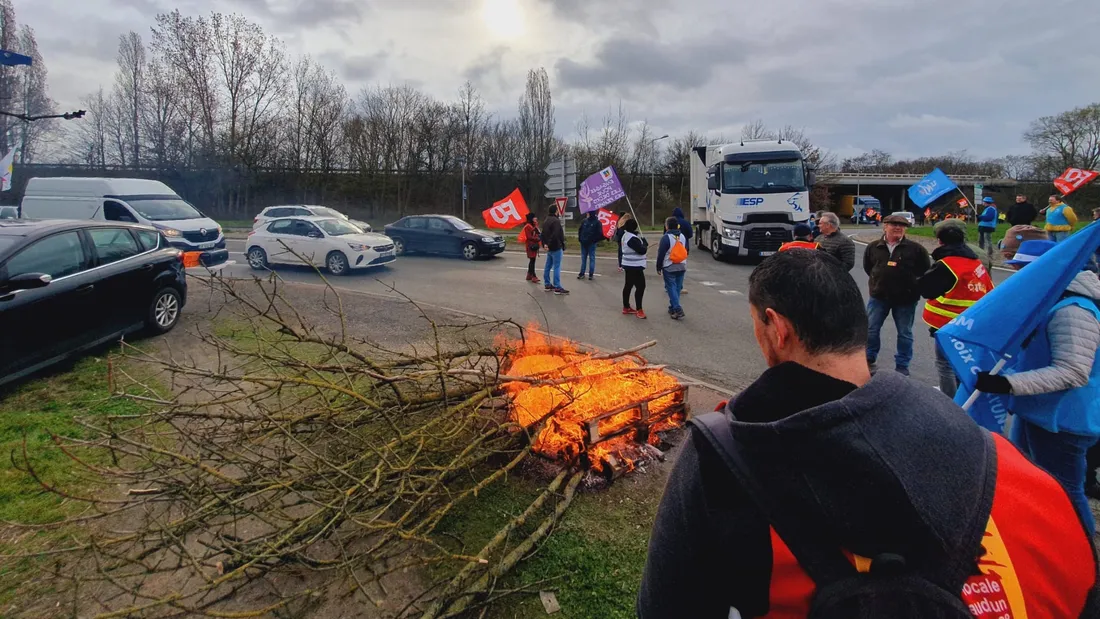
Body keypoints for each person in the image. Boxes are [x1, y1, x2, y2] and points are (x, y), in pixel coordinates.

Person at [638, 250, 1099, 619]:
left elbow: (665, 605)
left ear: (777, 330)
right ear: (858, 325)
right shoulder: (1000, 459)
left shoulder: (724, 455)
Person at [975, 239, 1100, 536]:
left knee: (1065, 491)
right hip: (1036, 411)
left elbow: (1073, 372)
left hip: (1063, 421)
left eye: (1024, 270)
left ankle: (1084, 561)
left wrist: (1006, 384)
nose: (1019, 276)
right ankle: (1041, 541)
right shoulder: (1052, 301)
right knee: (1030, 481)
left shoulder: (1073, 310)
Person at [918, 220, 993, 397]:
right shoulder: (976, 263)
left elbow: (926, 288)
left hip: (947, 323)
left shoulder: (948, 264)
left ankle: (950, 403)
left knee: (945, 365)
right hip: (973, 322)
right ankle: (965, 397)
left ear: (940, 241)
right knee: (963, 363)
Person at [863, 214, 931, 376]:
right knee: (871, 328)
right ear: (885, 226)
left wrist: (912, 285)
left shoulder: (915, 249)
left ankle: (902, 364)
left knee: (904, 333)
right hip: (879, 296)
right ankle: (870, 356)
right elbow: (869, 268)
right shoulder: (873, 247)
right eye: (894, 224)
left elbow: (924, 270)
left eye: (902, 225)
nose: (898, 227)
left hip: (906, 299)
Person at [655, 217, 687, 320]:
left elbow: (661, 254)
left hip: (669, 265)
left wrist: (658, 267)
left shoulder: (666, 238)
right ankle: (672, 307)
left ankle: (677, 308)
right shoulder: (682, 236)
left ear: (667, 226)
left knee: (671, 287)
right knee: (677, 287)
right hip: (681, 265)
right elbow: (686, 250)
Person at [619, 218, 648, 319]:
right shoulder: (632, 238)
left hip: (628, 264)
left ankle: (626, 307)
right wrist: (644, 243)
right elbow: (642, 250)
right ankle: (639, 309)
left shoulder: (625, 235)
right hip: (634, 266)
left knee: (628, 285)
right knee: (640, 287)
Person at [540, 205, 568, 295]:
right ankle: (557, 287)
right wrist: (549, 244)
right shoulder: (556, 221)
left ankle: (547, 284)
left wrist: (545, 244)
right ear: (556, 211)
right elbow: (556, 235)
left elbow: (542, 234)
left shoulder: (546, 220)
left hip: (549, 248)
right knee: (557, 266)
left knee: (548, 266)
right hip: (556, 247)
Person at [577, 210, 602, 281]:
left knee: (583, 259)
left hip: (583, 242)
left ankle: (582, 273)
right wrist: (595, 240)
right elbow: (599, 233)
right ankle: (591, 274)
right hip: (592, 243)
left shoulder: (584, 221)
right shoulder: (598, 222)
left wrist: (580, 239)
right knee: (592, 258)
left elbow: (580, 230)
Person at [520, 212, 541, 284]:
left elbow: (538, 233)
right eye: (534, 217)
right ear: (531, 219)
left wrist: (536, 225)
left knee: (532, 260)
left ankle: (529, 275)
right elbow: (529, 237)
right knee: (532, 260)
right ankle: (533, 276)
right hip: (530, 246)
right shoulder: (527, 226)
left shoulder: (533, 226)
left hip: (533, 245)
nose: (536, 218)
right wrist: (537, 239)